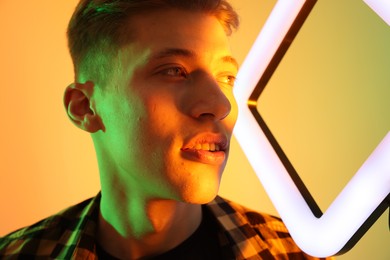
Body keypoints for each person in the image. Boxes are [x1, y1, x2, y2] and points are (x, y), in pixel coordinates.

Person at [0, 0, 331, 259]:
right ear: (85, 107)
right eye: (174, 70)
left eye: (226, 78)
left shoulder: (296, 254)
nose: (220, 105)